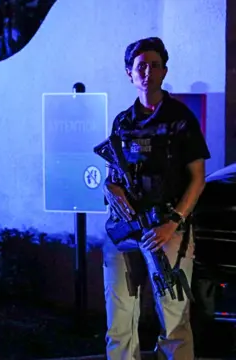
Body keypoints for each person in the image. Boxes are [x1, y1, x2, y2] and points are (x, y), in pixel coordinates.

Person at [101, 37, 210, 360]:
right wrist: (112, 188)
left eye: (155, 65)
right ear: (129, 73)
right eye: (140, 66)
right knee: (119, 320)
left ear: (164, 71)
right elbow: (112, 174)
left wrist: (174, 222)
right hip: (125, 231)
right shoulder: (123, 121)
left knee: (174, 321)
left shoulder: (180, 119)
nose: (147, 71)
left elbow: (198, 179)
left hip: (166, 231)